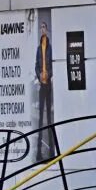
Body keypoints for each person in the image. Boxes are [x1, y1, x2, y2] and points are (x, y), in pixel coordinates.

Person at [35, 21, 54, 162]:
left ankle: (51, 152)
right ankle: (39, 153)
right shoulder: (38, 48)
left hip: (49, 84)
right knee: (41, 118)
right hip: (42, 84)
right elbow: (36, 65)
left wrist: (49, 74)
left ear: (46, 30)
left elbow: (53, 63)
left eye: (44, 27)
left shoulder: (50, 48)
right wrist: (39, 76)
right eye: (41, 28)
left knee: (49, 118)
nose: (42, 30)